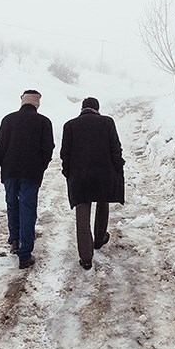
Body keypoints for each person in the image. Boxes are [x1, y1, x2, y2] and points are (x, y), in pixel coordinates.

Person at [0, 89, 55, 269]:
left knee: (12, 205)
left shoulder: (8, 120)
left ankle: (15, 240)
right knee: (28, 209)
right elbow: (48, 149)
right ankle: (25, 254)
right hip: (31, 174)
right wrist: (41, 166)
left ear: (22, 101)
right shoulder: (44, 122)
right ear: (37, 103)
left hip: (9, 172)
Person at [59, 97, 125, 270]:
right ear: (97, 108)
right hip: (104, 174)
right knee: (103, 203)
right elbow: (115, 148)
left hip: (79, 177)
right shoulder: (107, 122)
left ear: (82, 109)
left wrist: (69, 173)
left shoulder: (70, 125)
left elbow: (65, 154)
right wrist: (119, 168)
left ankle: (86, 258)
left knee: (82, 215)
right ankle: (99, 238)